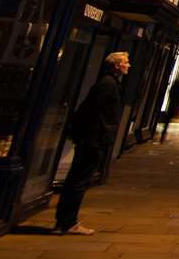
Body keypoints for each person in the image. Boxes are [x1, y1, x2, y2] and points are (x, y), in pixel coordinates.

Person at [55, 51, 128, 235]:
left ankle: (64, 221)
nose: (129, 65)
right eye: (126, 62)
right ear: (117, 65)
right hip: (93, 139)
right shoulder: (107, 85)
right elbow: (90, 110)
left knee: (77, 180)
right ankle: (68, 222)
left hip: (93, 137)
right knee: (79, 181)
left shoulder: (109, 83)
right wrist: (98, 133)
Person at [159, 74, 179, 141]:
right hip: (174, 103)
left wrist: (171, 99)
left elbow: (170, 92)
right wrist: (178, 103)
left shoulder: (175, 84)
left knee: (168, 118)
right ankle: (164, 131)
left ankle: (164, 131)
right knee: (169, 118)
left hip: (171, 102)